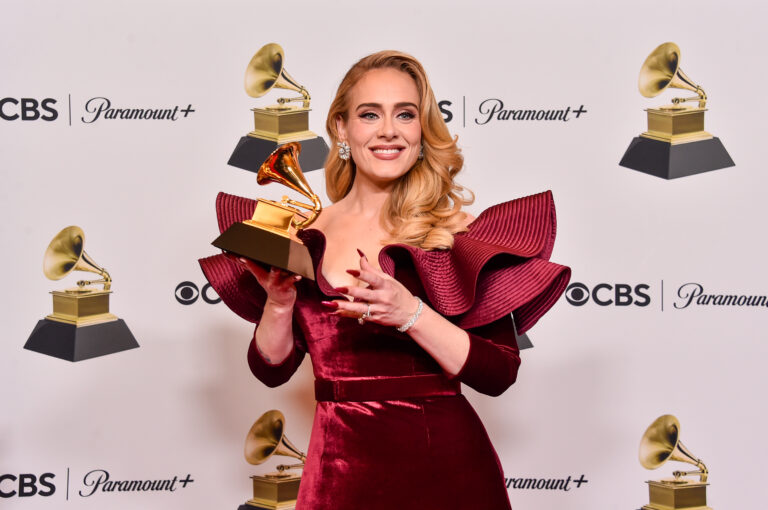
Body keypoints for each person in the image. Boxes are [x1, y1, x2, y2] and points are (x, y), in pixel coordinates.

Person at [201, 50, 570, 510]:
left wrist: (410, 314)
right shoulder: (304, 235)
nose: (388, 130)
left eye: (406, 115)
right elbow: (271, 371)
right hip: (339, 474)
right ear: (342, 128)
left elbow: (499, 373)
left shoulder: (455, 234)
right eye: (369, 114)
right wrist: (278, 303)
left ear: (421, 131)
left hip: (449, 474)